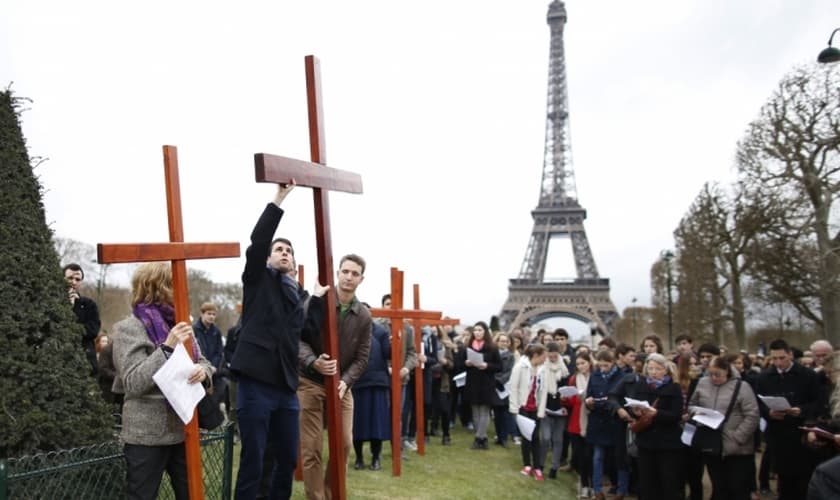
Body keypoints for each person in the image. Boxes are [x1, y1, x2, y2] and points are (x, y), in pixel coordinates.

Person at [230, 184, 329, 500]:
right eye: (279, 250)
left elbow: (305, 332)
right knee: (255, 460)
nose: (284, 253)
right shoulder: (258, 281)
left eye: (289, 251)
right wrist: (279, 199)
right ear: (269, 259)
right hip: (256, 384)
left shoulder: (296, 295)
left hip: (287, 387)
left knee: (286, 458)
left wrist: (314, 298)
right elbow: (258, 241)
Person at [112, 262, 213, 500]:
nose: (181, 291)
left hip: (184, 427)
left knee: (192, 493)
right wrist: (166, 347)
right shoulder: (128, 328)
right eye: (173, 284)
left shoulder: (179, 323)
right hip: (146, 434)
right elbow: (133, 381)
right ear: (157, 287)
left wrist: (203, 372)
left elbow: (205, 361)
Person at [298, 254, 372, 500]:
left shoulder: (363, 315)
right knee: (312, 449)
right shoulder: (316, 302)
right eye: (345, 271)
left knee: (344, 444)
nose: (349, 277)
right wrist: (313, 362)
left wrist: (345, 381)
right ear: (338, 273)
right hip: (310, 382)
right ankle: (316, 498)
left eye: (354, 274)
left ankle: (331, 494)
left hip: (341, 386)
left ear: (361, 279)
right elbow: (298, 339)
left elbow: (362, 357)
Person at [689, 354, 759, 500]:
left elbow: (752, 415)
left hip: (737, 447)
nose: (714, 378)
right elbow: (691, 405)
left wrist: (738, 437)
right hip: (712, 443)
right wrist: (697, 412)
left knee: (737, 488)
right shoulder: (702, 383)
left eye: (718, 374)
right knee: (719, 487)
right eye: (711, 374)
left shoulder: (742, 386)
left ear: (727, 370)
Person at [756, 339, 819, 500]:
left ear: (790, 354)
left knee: (804, 480)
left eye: (782, 358)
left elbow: (818, 402)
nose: (778, 362)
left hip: (801, 434)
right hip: (778, 434)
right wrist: (769, 413)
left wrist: (801, 410)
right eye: (774, 358)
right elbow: (758, 403)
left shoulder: (808, 375)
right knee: (784, 480)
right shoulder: (764, 377)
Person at [618, 353, 684, 500]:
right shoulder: (641, 384)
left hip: (667, 443)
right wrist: (634, 411)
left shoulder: (673, 388)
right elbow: (633, 406)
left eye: (658, 369)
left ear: (665, 370)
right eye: (651, 368)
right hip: (646, 441)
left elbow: (676, 415)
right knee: (647, 481)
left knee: (668, 481)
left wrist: (657, 413)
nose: (653, 372)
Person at [586, 350, 628, 500]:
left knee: (619, 458)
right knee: (597, 457)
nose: (603, 368)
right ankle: (597, 489)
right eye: (600, 365)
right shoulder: (595, 376)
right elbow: (589, 394)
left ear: (613, 363)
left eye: (606, 365)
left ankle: (621, 490)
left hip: (615, 422)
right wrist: (589, 402)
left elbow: (622, 399)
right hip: (598, 422)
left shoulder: (622, 377)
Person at [352, 314, 391, 471]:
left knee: (377, 424)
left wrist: (394, 344)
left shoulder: (381, 332)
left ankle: (376, 458)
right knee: (357, 423)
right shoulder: (352, 330)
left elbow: (388, 354)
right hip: (357, 382)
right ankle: (359, 458)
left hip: (377, 383)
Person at [458, 321, 501, 450]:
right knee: (475, 411)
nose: (477, 332)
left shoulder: (492, 348)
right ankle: (483, 439)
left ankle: (478, 438)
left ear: (485, 332)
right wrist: (466, 363)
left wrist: (487, 365)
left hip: (486, 382)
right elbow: (459, 364)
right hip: (472, 382)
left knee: (484, 411)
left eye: (480, 330)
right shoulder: (468, 346)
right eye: (475, 330)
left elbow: (499, 366)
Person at [509, 343, 548, 481]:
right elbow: (513, 387)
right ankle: (527, 464)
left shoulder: (543, 370)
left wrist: (541, 411)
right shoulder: (520, 366)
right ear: (536, 355)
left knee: (536, 437)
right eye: (544, 356)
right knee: (527, 437)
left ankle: (537, 467)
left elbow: (543, 392)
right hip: (523, 406)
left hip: (535, 408)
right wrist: (514, 408)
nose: (545, 359)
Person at [63, 263, 101, 376]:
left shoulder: (89, 305)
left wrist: (76, 307)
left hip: (85, 362)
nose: (73, 282)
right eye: (70, 278)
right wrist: (68, 306)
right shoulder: (52, 302)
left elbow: (93, 331)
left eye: (77, 279)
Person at [193, 302, 227, 423]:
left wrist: (213, 367)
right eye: (209, 314)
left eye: (213, 314)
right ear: (202, 314)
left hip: (213, 370)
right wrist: (204, 366)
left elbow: (219, 351)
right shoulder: (194, 330)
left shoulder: (216, 332)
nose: (211, 317)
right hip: (199, 369)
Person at [541, 341, 570, 479]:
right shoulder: (542, 368)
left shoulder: (564, 369)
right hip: (546, 407)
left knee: (558, 440)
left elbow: (567, 389)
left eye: (555, 356)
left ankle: (554, 467)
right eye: (550, 356)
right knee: (546, 438)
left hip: (560, 408)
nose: (552, 358)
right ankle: (540, 464)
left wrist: (565, 406)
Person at [566, 353, 593, 497]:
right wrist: (567, 398)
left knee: (590, 455)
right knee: (579, 455)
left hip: (591, 420)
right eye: (578, 364)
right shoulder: (574, 379)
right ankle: (584, 484)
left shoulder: (595, 377)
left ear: (589, 363)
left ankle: (591, 485)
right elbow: (570, 402)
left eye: (583, 363)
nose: (581, 366)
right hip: (576, 421)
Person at [493, 332, 515, 447]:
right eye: (502, 341)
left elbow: (510, 371)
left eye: (506, 341)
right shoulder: (493, 354)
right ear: (497, 342)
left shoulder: (511, 356)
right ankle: (499, 436)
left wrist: (500, 381)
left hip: (505, 386)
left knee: (505, 413)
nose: (504, 343)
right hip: (494, 386)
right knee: (497, 414)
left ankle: (504, 437)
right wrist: (495, 380)